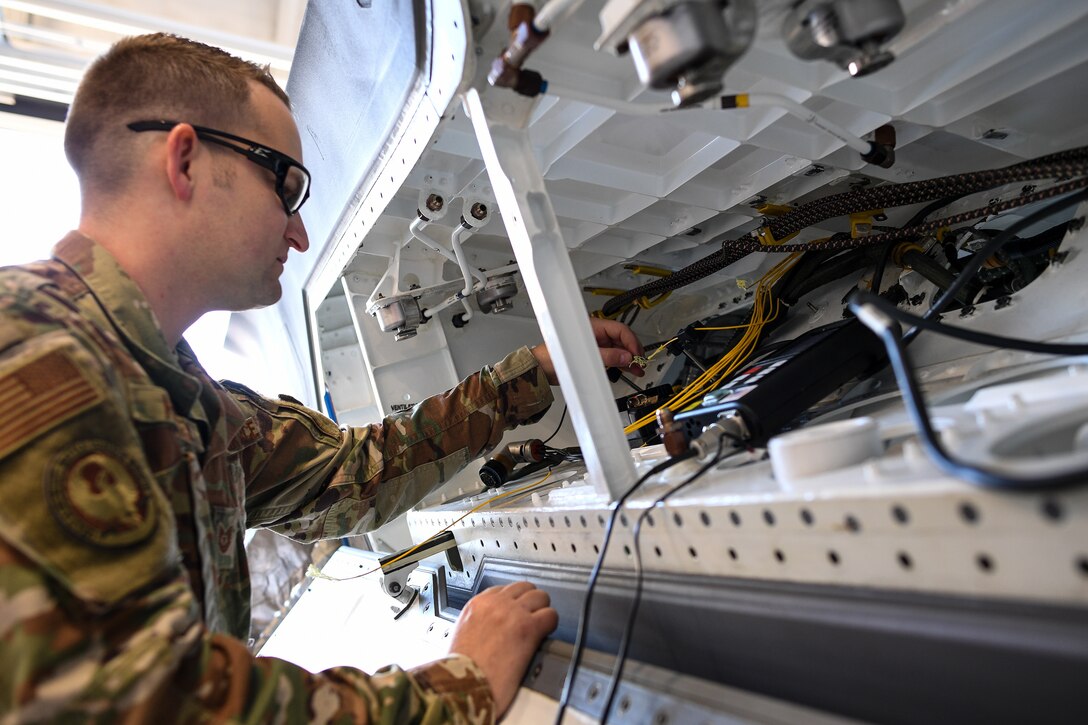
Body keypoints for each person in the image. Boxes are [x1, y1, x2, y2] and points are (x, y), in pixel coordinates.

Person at [0, 33, 644, 723]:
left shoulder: (175, 389)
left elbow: (352, 474)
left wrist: (533, 373)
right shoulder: (37, 355)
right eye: (286, 184)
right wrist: (460, 685)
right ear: (184, 158)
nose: (300, 232)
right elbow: (150, 702)